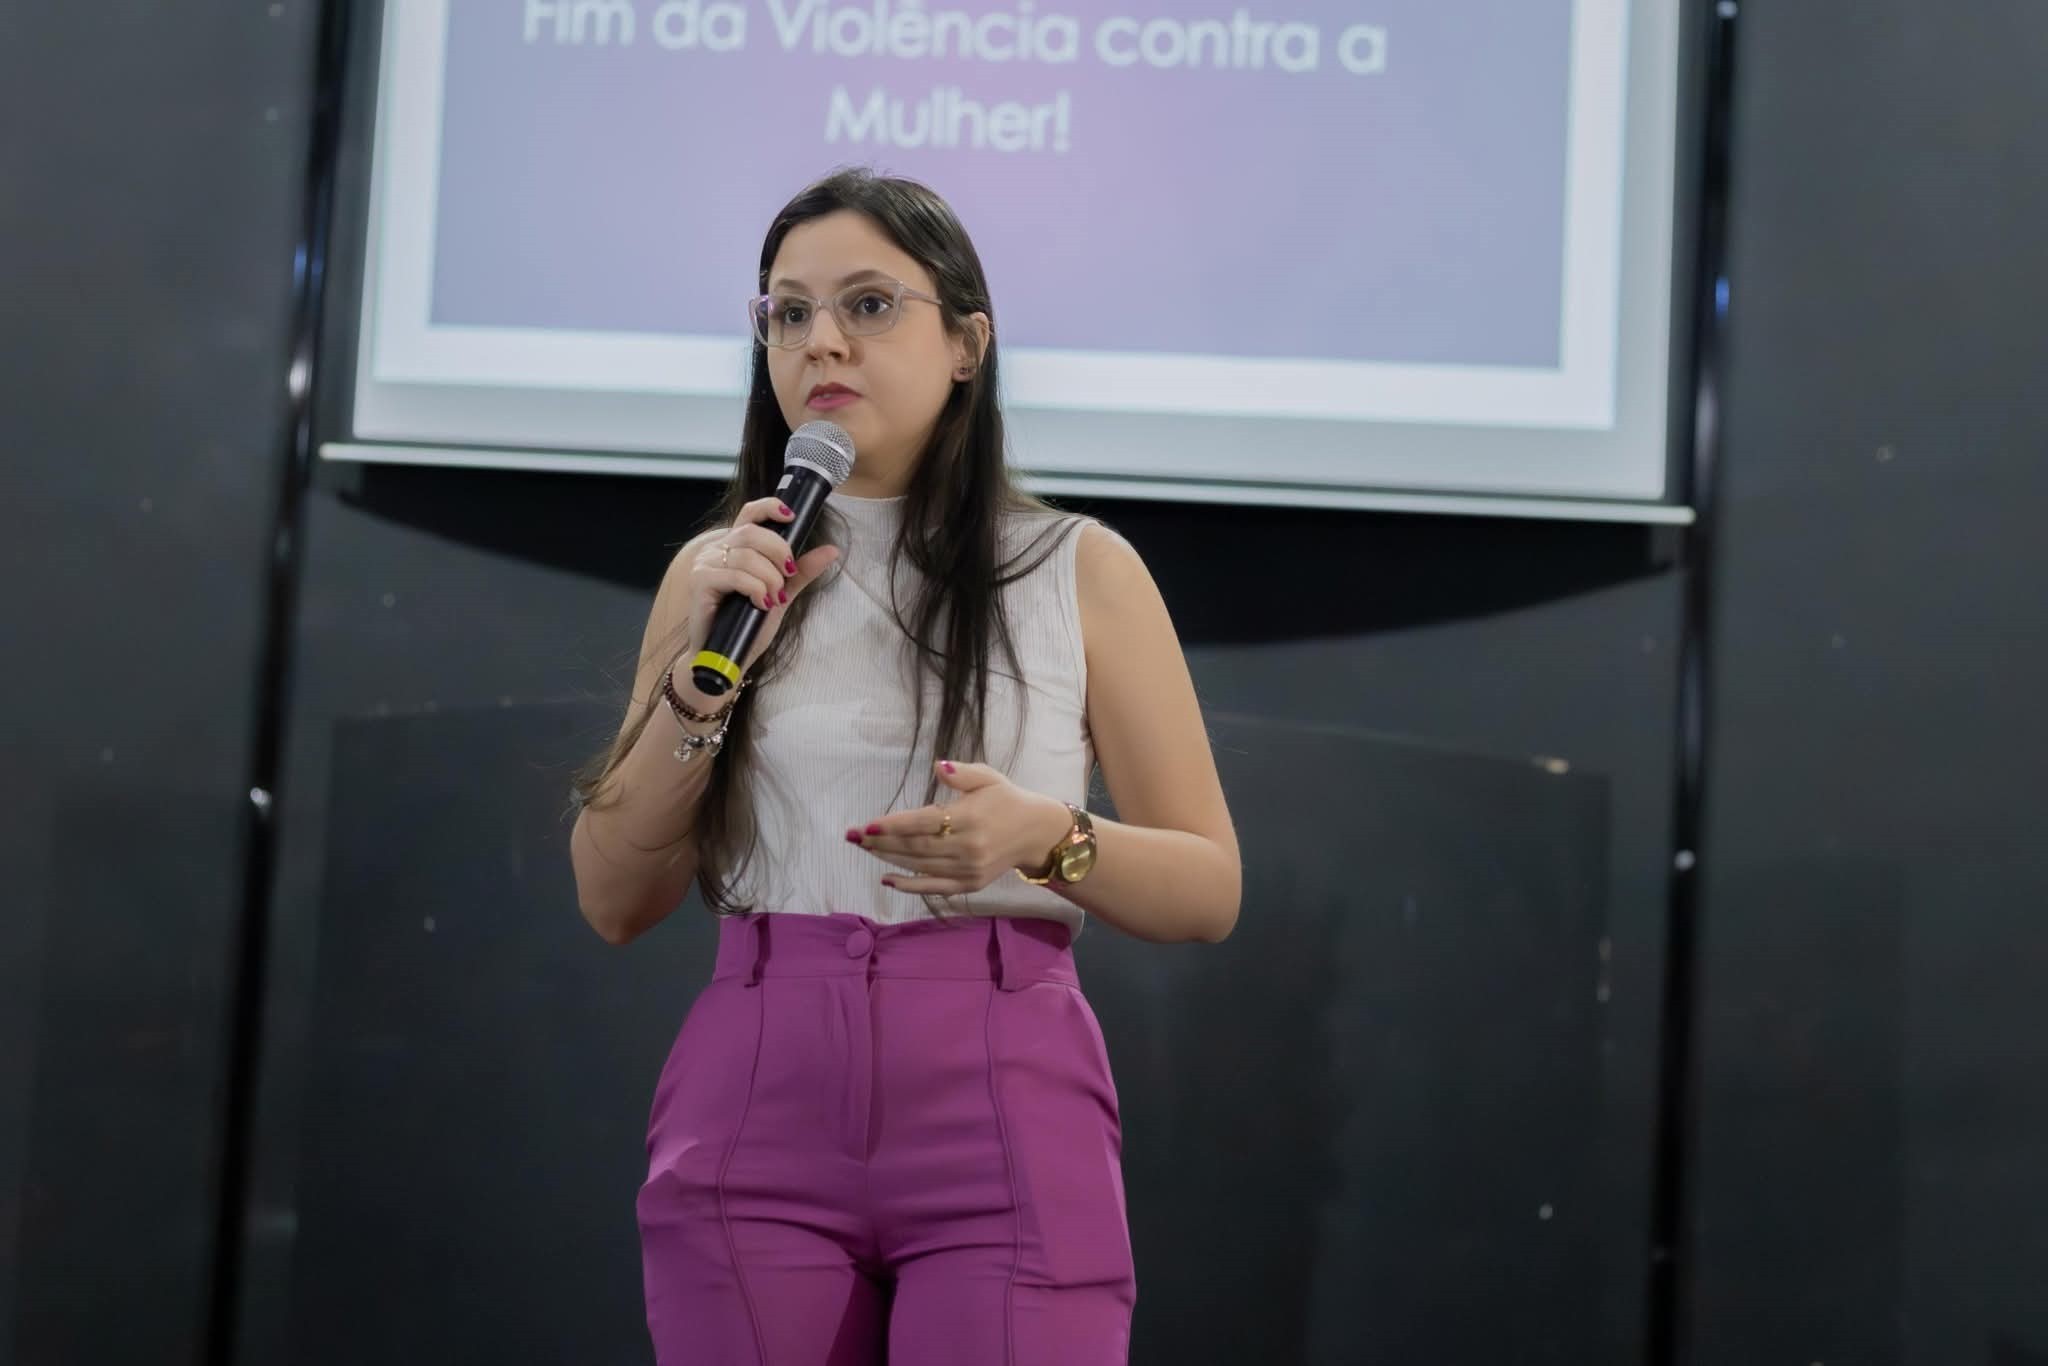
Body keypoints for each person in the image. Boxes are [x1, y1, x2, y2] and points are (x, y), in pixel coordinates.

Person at [568, 168, 1241, 1366]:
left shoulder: (1075, 568)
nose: (819, 341)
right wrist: (696, 689)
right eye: (787, 313)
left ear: (967, 343)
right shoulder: (719, 576)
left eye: (868, 305)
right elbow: (614, 897)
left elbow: (1207, 888)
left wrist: (1046, 838)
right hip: (755, 1091)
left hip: (1001, 1089)